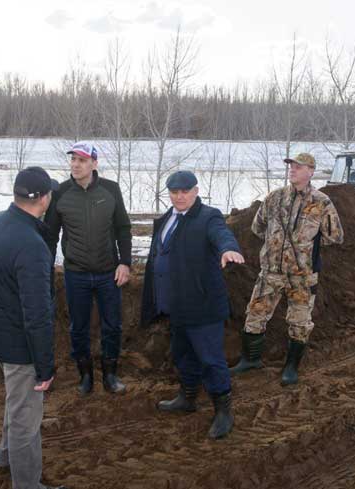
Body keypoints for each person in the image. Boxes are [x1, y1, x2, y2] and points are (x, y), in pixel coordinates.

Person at [0, 166, 66, 489]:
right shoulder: (31, 245)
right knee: (27, 420)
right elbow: (38, 315)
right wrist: (44, 368)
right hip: (20, 346)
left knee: (15, 401)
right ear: (43, 199)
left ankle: (4, 456)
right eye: (50, 194)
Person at [140, 170, 245, 439]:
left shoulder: (207, 216)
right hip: (177, 306)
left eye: (185, 191)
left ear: (196, 191)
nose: (179, 196)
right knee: (182, 354)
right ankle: (187, 398)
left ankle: (223, 411)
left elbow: (221, 234)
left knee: (211, 360)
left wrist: (228, 249)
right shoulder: (167, 218)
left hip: (203, 305)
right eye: (174, 192)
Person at [230, 153, 344, 385]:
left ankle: (291, 367)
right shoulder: (274, 198)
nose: (292, 169)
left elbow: (335, 236)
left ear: (310, 171)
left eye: (298, 166)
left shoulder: (322, 203)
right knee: (255, 313)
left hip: (302, 276)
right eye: (291, 166)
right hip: (271, 272)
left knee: (299, 322)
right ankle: (250, 359)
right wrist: (276, 247)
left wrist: (304, 249)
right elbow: (258, 227)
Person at [45, 141, 132, 396]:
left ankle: (110, 375)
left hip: (108, 272)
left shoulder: (111, 190)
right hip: (76, 273)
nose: (75, 164)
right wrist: (45, 269)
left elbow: (123, 229)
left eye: (82, 160)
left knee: (112, 325)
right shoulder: (60, 194)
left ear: (94, 163)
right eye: (73, 159)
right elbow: (51, 236)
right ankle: (85, 376)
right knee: (78, 327)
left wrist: (125, 263)